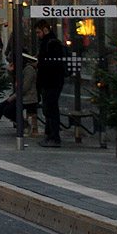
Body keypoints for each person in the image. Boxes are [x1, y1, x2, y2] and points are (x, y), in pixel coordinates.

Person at [0, 54, 38, 134]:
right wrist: (10, 72)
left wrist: (13, 97)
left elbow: (25, 88)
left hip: (28, 97)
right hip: (19, 96)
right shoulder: (20, 69)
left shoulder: (29, 69)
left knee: (8, 110)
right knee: (0, 106)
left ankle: (23, 124)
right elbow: (15, 83)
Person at [35, 19, 67, 147]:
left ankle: (54, 136)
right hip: (50, 80)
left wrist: (39, 63)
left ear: (45, 30)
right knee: (48, 108)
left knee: (51, 109)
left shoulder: (51, 43)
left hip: (51, 80)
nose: (37, 35)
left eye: (38, 32)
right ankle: (50, 135)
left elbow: (52, 63)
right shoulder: (49, 42)